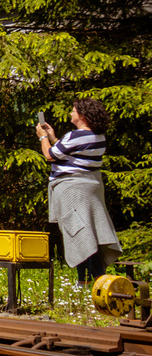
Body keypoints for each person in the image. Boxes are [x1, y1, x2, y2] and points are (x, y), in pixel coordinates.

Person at [37, 98, 121, 285]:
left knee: (79, 232)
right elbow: (73, 156)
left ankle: (82, 282)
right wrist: (53, 138)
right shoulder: (98, 137)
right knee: (91, 232)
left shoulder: (75, 135)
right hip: (91, 187)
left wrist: (43, 138)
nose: (70, 114)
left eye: (73, 111)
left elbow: (50, 156)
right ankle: (100, 280)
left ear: (82, 116)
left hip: (72, 190)